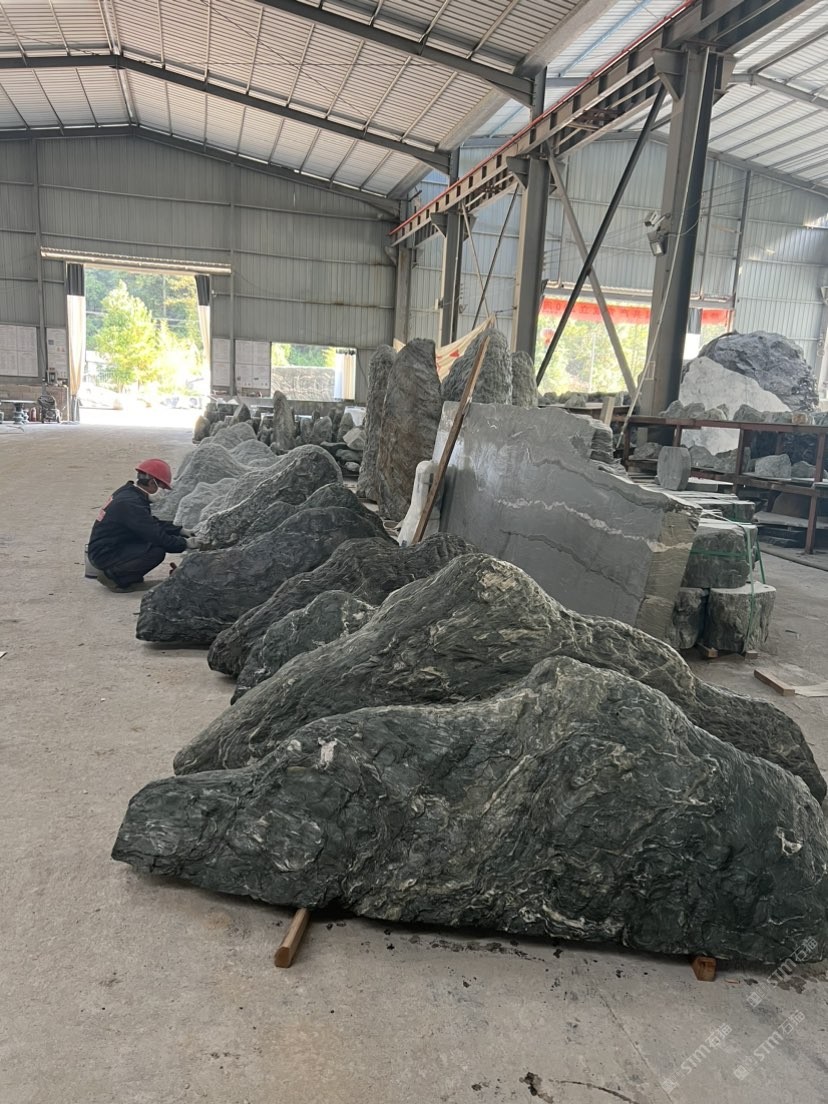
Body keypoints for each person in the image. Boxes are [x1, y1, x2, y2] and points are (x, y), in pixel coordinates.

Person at [88, 458, 197, 592]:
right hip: (105, 554)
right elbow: (157, 536)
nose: (163, 492)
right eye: (162, 487)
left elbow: (149, 523)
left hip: (110, 546)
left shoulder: (129, 494)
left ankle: (128, 575)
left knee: (149, 543)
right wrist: (186, 544)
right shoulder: (131, 504)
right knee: (155, 551)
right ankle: (113, 577)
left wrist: (179, 531)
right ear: (152, 483)